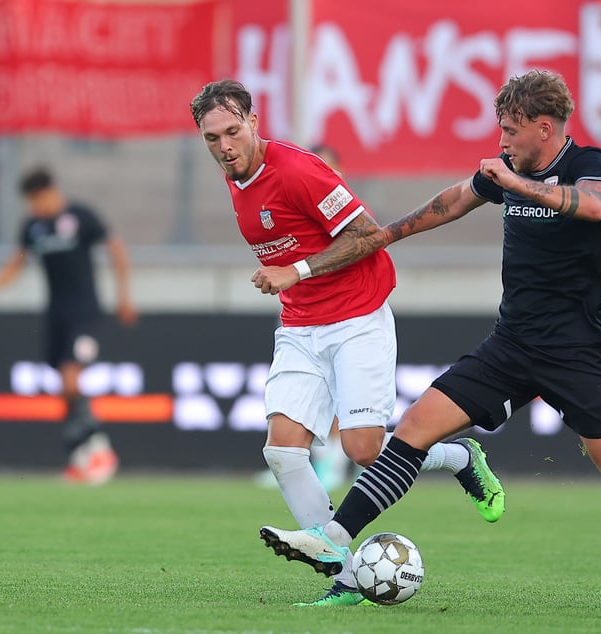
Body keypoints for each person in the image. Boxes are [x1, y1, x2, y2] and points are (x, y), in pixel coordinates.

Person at [258, 70, 601, 614]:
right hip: (512, 345)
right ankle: (335, 537)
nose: (502, 142)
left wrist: (513, 182)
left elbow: (592, 206)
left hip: (578, 352)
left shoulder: (588, 163)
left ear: (545, 129)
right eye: (500, 130)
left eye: (511, 131)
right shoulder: (505, 171)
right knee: (413, 429)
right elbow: (451, 202)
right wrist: (383, 237)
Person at [189, 79, 506, 606]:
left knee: (362, 450)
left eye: (232, 131)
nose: (224, 147)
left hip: (357, 318)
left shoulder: (297, 169)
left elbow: (367, 234)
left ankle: (457, 456)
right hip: (299, 327)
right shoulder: (235, 177)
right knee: (283, 452)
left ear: (254, 123)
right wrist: (294, 278)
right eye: (211, 138)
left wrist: (298, 269)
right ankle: (346, 574)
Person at [0, 166, 137, 484]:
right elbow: (18, 261)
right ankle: (83, 454)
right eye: (30, 202)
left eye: (37, 199)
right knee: (64, 390)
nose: (34, 207)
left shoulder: (79, 216)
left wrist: (123, 296)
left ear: (51, 192)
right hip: (55, 317)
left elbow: (116, 249)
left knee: (69, 380)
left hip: (85, 315)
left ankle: (99, 451)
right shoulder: (34, 227)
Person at [252, 143, 356, 494]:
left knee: (355, 422)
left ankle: (336, 461)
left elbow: (364, 244)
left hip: (346, 315)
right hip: (301, 314)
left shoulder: (346, 212)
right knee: (299, 398)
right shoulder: (292, 201)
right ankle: (302, 459)